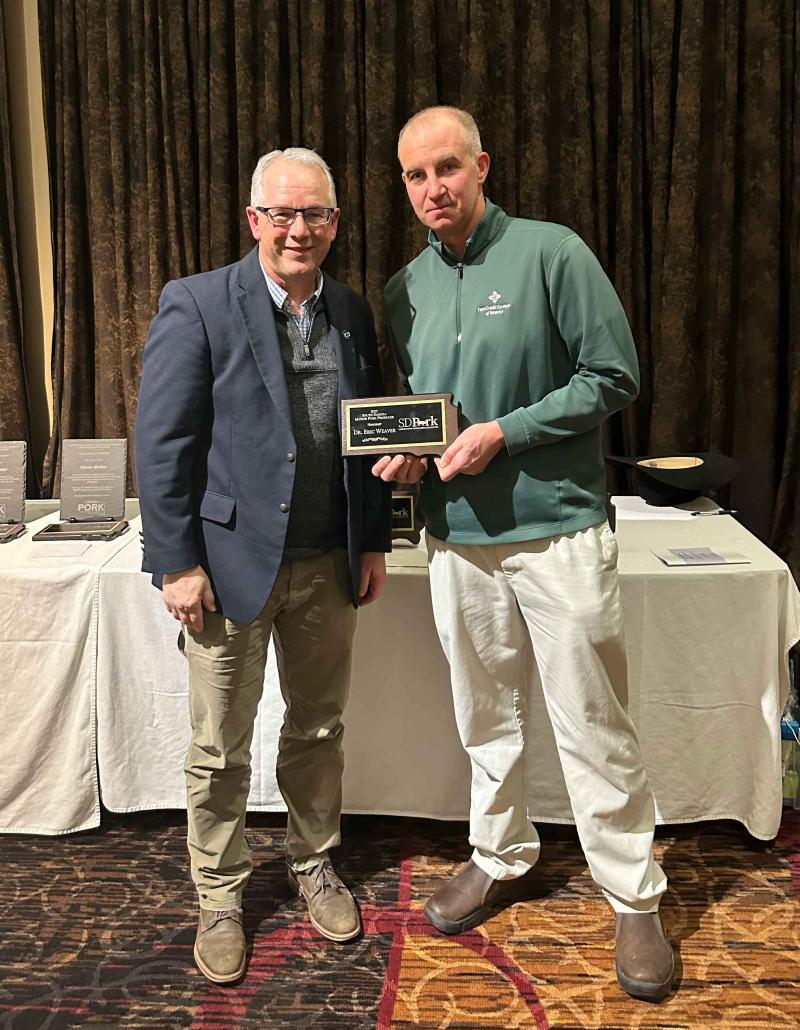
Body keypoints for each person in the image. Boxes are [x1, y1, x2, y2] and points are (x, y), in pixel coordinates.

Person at [373, 106, 675, 1002]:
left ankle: (633, 893)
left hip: (561, 531)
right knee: (484, 718)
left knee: (594, 721)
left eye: (448, 168)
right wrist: (411, 452)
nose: (434, 188)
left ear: (482, 166)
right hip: (458, 542)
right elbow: (430, 411)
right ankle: (501, 854)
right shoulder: (403, 290)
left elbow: (612, 374)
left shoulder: (553, 251)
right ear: (404, 187)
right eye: (416, 175)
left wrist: (506, 432)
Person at [136, 148, 391, 985]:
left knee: (318, 729)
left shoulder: (351, 310)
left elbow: (374, 437)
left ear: (334, 222)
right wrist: (175, 563)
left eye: (314, 214)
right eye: (280, 214)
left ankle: (313, 863)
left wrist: (376, 539)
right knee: (219, 749)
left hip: (327, 563)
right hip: (228, 567)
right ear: (254, 220)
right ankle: (220, 893)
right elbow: (164, 442)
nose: (297, 229)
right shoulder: (200, 302)